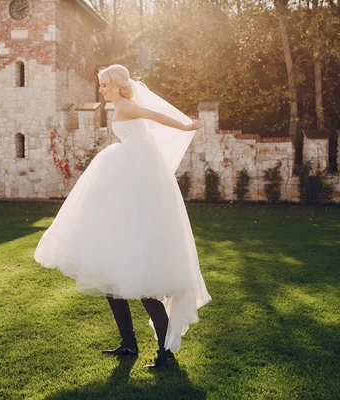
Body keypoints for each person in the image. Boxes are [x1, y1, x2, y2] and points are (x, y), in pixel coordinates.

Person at [34, 64, 211, 368]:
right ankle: (128, 345)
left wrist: (185, 126)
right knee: (110, 278)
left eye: (103, 85)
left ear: (115, 85)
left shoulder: (128, 105)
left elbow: (157, 117)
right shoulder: (121, 106)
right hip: (123, 182)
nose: (100, 90)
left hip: (132, 183)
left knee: (141, 285)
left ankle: (165, 354)